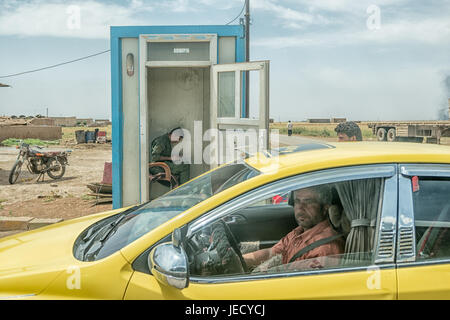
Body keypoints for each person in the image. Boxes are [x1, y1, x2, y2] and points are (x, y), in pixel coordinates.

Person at [243, 185, 345, 271]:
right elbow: (271, 253)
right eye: (297, 201)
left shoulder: (325, 249)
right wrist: (241, 260)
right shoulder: (299, 232)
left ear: (325, 208)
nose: (300, 207)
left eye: (308, 201)